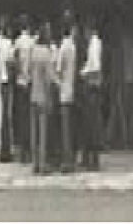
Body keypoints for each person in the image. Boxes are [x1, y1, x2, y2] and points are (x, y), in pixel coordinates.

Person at [29, 23, 56, 175]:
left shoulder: (33, 51)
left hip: (33, 94)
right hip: (43, 96)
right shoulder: (46, 53)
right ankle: (43, 163)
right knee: (43, 132)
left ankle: (35, 163)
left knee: (34, 132)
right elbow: (49, 77)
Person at [79, 21, 103, 171]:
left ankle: (91, 159)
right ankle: (90, 157)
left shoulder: (94, 44)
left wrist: (82, 73)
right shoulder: (95, 43)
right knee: (91, 123)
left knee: (91, 123)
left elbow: (94, 65)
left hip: (92, 85)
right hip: (93, 84)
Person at [56, 21, 77, 173]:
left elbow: (58, 69)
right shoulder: (73, 47)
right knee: (69, 127)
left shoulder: (63, 47)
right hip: (70, 89)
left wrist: (56, 83)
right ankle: (69, 158)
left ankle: (66, 160)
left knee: (65, 128)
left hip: (63, 90)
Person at [0, 18, 15, 163]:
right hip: (6, 82)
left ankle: (0, 148)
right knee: (6, 116)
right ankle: (5, 150)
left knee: (1, 115)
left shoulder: (0, 42)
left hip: (1, 80)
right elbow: (10, 64)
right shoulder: (9, 45)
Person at [14, 15, 35, 164]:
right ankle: (29, 150)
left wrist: (19, 72)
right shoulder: (32, 42)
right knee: (30, 118)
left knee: (21, 117)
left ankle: (22, 151)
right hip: (31, 82)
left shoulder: (18, 42)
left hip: (21, 82)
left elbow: (13, 60)